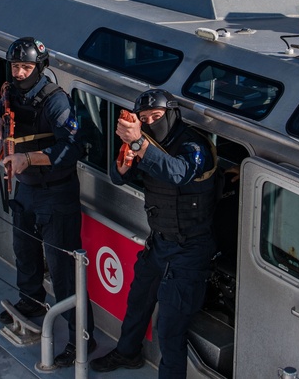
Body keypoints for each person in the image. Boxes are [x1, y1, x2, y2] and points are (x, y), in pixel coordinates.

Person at [93, 89, 219, 379]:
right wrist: (125, 160)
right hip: (159, 243)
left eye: (157, 116)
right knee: (138, 300)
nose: (151, 122)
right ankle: (127, 352)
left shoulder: (193, 145)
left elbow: (178, 173)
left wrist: (138, 142)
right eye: (145, 118)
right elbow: (117, 177)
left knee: (170, 328)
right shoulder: (145, 142)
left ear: (172, 115)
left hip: (190, 250)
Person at [0, 37, 93, 367]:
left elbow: (73, 148)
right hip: (27, 190)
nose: (19, 72)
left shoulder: (55, 102)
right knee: (25, 250)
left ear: (40, 68)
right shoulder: (11, 92)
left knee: (63, 272)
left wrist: (29, 159)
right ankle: (30, 302)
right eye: (15, 66)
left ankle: (80, 340)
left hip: (55, 194)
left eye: (26, 67)